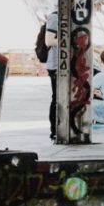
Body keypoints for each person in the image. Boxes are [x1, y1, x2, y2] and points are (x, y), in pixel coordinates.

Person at [44, 10, 58, 140]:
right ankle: (54, 130)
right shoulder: (55, 17)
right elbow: (49, 41)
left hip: (62, 64)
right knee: (57, 98)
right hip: (55, 65)